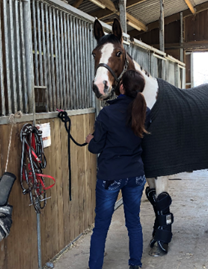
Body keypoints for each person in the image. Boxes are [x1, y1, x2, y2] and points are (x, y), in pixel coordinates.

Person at [86, 70, 150, 269]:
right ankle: (135, 264)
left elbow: (96, 147)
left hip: (110, 176)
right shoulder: (144, 112)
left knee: (101, 226)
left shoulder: (107, 113)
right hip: (135, 175)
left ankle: (95, 266)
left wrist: (91, 140)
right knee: (134, 223)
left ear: (121, 87)